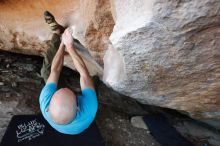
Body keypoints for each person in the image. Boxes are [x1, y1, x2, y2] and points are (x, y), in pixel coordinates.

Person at [39, 11, 98, 134]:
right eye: (72, 93)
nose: (66, 88)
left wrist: (62, 43)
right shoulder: (89, 109)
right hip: (81, 116)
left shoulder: (45, 102)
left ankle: (57, 33)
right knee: (92, 81)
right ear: (78, 107)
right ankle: (97, 82)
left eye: (58, 91)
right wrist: (70, 47)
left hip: (66, 108)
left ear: (49, 108)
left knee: (46, 72)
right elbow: (84, 74)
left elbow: (55, 70)